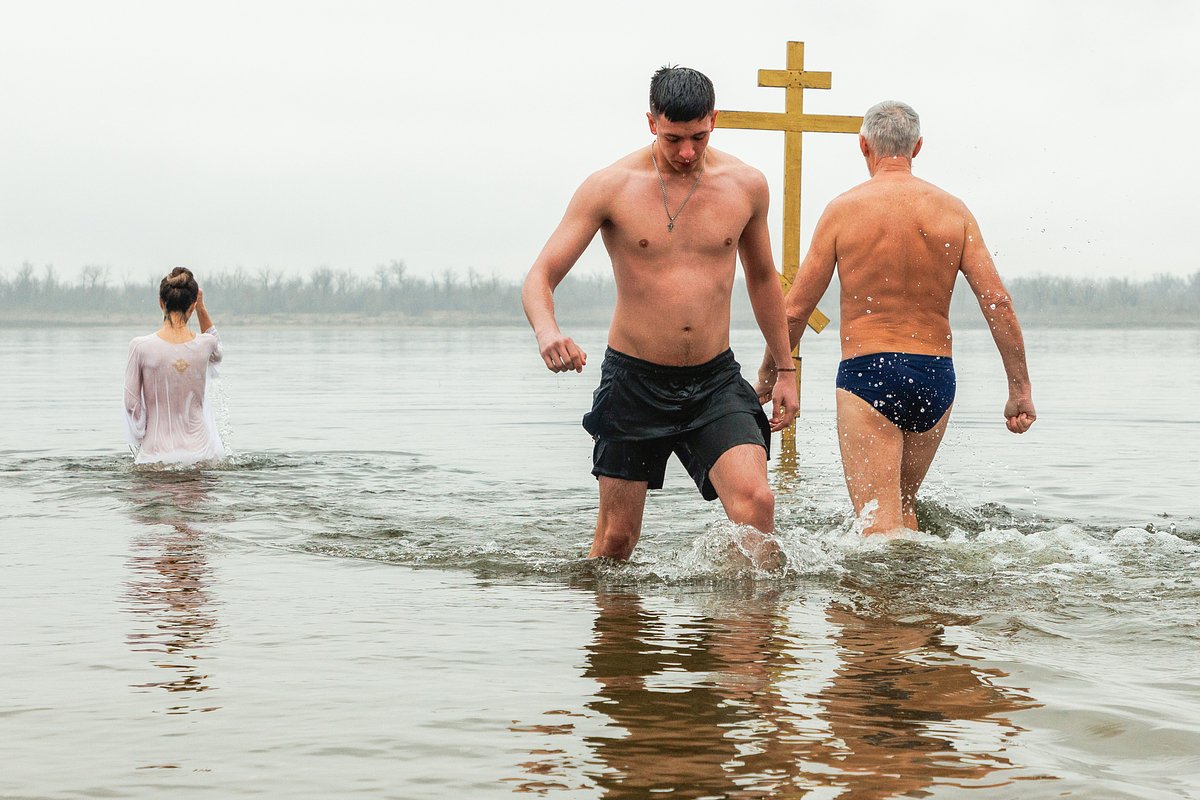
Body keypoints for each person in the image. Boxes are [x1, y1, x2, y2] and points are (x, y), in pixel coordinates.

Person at [522, 65, 799, 561]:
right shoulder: (610, 186)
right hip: (634, 382)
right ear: (651, 122)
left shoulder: (746, 185)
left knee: (757, 502)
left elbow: (762, 279)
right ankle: (619, 635)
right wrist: (547, 332)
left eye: (698, 136)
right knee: (616, 542)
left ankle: (745, 634)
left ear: (715, 119)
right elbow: (540, 276)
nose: (687, 152)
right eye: (674, 138)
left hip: (714, 380)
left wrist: (785, 369)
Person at [758, 100, 1036, 535]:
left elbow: (795, 308)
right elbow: (997, 302)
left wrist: (770, 376)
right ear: (918, 147)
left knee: (876, 530)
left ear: (863, 146)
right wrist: (1019, 389)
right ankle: (918, 603)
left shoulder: (844, 210)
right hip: (935, 374)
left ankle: (874, 603)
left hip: (870, 372)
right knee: (904, 511)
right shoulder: (953, 211)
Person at [123, 267, 225, 465]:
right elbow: (218, 350)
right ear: (193, 306)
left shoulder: (140, 347)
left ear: (161, 303)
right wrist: (202, 308)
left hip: (155, 455)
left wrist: (145, 435)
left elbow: (131, 404)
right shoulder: (206, 344)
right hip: (202, 454)